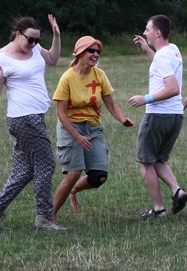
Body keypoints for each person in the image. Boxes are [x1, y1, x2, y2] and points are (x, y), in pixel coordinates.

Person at [0, 15, 64, 230]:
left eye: (37, 40)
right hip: (24, 118)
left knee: (24, 171)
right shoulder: (3, 59)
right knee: (46, 164)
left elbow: (53, 60)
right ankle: (44, 217)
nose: (34, 44)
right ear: (18, 34)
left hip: (35, 116)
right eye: (30, 39)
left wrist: (56, 35)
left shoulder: (34, 49)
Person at [52, 36, 135, 216]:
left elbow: (110, 103)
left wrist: (122, 119)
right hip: (71, 127)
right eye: (91, 50)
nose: (96, 54)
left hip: (93, 128)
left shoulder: (100, 75)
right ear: (80, 52)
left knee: (99, 176)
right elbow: (61, 113)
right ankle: (49, 216)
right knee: (74, 173)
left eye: (98, 51)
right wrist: (77, 136)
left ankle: (73, 191)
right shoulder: (67, 78)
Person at [128, 15, 187, 218]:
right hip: (175, 116)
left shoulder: (163, 56)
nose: (145, 32)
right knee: (159, 159)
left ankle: (159, 208)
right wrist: (147, 49)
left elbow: (173, 88)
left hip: (158, 115)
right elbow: (163, 66)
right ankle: (177, 191)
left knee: (145, 161)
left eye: (147, 29)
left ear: (157, 33)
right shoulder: (173, 50)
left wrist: (146, 98)